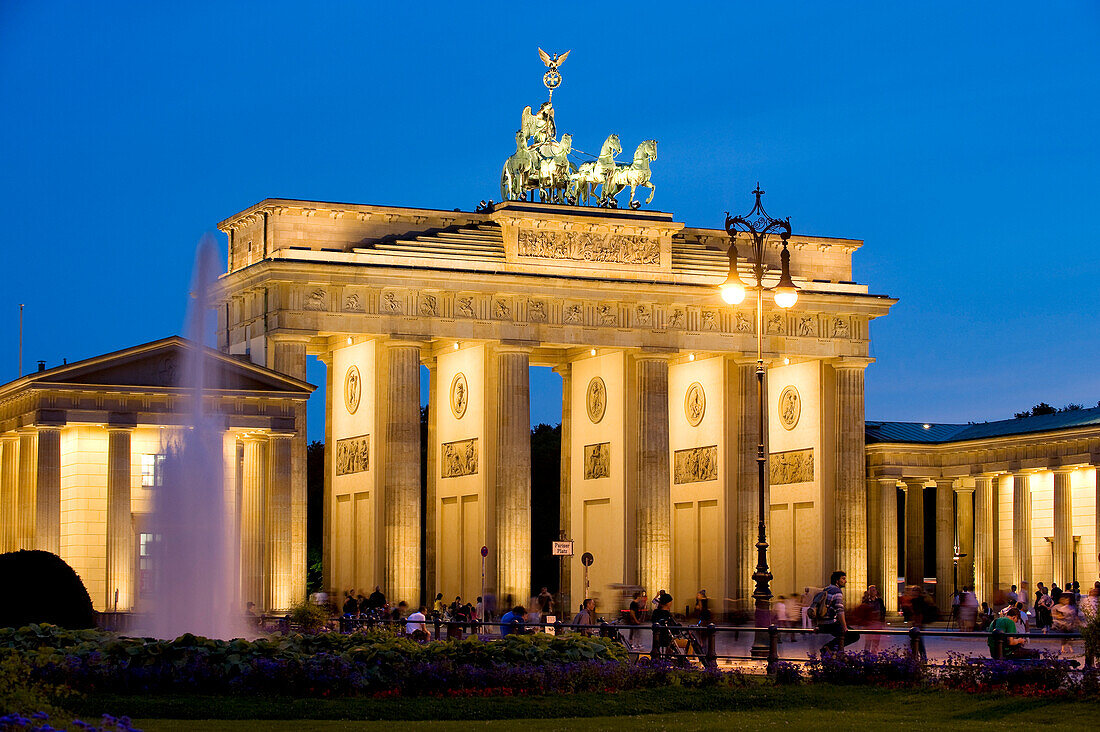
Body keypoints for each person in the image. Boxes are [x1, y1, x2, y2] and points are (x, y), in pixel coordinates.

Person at [818, 570, 859, 652]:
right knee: (854, 635)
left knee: (843, 637)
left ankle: (831, 650)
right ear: (837, 580)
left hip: (822, 623)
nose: (845, 581)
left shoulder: (826, 589)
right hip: (830, 623)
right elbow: (840, 610)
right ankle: (828, 648)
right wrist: (844, 626)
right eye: (843, 579)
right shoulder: (837, 591)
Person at [859, 586, 887, 652]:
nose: (873, 592)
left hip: (877, 623)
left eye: (874, 590)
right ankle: (867, 656)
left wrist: (882, 621)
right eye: (871, 591)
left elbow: (883, 611)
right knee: (868, 642)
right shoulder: (866, 601)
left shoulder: (880, 601)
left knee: (876, 642)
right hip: (869, 624)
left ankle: (874, 654)